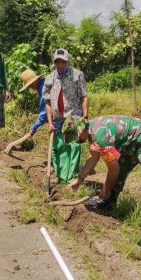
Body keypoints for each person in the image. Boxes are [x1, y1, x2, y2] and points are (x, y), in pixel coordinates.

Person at [65, 115, 141, 250]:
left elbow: (113, 169)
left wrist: (105, 189)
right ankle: (109, 202)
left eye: (76, 138)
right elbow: (93, 158)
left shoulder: (100, 135)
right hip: (132, 143)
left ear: (80, 130)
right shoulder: (92, 131)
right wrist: (79, 180)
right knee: (122, 167)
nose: (78, 141)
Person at [42, 48, 88, 183]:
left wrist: (84, 116)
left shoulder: (77, 75)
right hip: (57, 118)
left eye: (63, 62)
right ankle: (61, 177)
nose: (60, 65)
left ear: (67, 61)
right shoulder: (50, 78)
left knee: (73, 147)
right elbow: (48, 102)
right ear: (54, 62)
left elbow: (84, 96)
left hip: (73, 116)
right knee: (59, 148)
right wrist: (50, 122)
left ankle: (72, 178)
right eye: (57, 62)